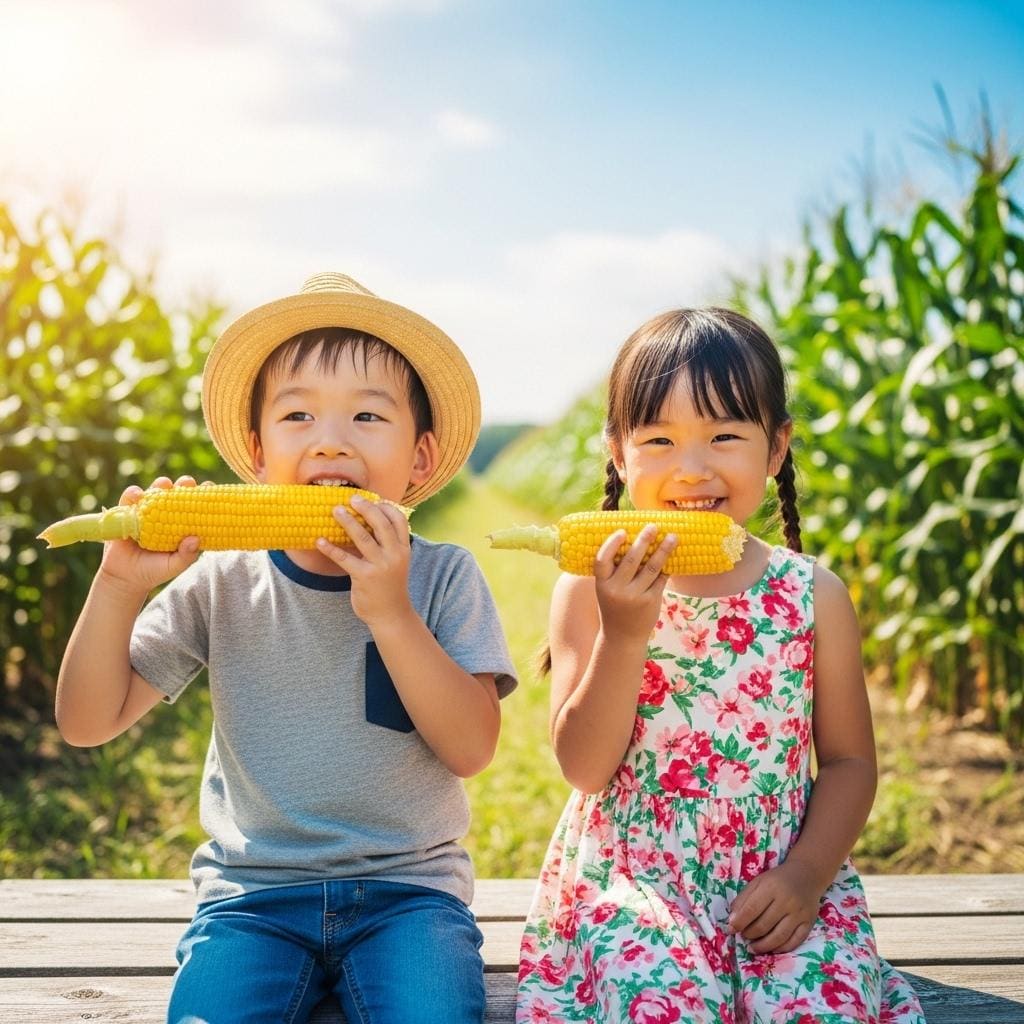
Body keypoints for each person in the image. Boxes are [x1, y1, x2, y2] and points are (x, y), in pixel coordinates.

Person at [55, 272, 516, 1024]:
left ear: (421, 461)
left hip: (411, 895)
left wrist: (391, 613)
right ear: (257, 453)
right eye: (297, 415)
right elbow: (86, 720)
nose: (330, 439)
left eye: (368, 416)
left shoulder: (442, 577)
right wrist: (116, 586)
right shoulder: (220, 582)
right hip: (254, 898)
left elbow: (471, 748)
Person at [516, 308, 925, 1023]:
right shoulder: (588, 587)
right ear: (618, 452)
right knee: (658, 1006)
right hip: (638, 879)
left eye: (725, 436)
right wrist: (625, 634)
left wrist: (806, 876)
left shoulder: (812, 594)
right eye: (660, 440)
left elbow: (852, 762)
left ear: (776, 449)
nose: (692, 469)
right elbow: (584, 769)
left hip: (779, 877)